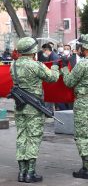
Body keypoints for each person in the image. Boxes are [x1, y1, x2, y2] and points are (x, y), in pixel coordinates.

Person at [11, 37, 59, 183]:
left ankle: (21, 173)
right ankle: (30, 173)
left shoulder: (12, 65)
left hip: (19, 106)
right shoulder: (35, 65)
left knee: (21, 137)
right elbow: (52, 78)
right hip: (34, 107)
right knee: (33, 137)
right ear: (32, 51)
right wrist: (56, 66)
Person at [61, 34, 88, 179]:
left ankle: (86, 168)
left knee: (83, 136)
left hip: (84, 103)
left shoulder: (83, 64)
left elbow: (69, 82)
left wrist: (65, 67)